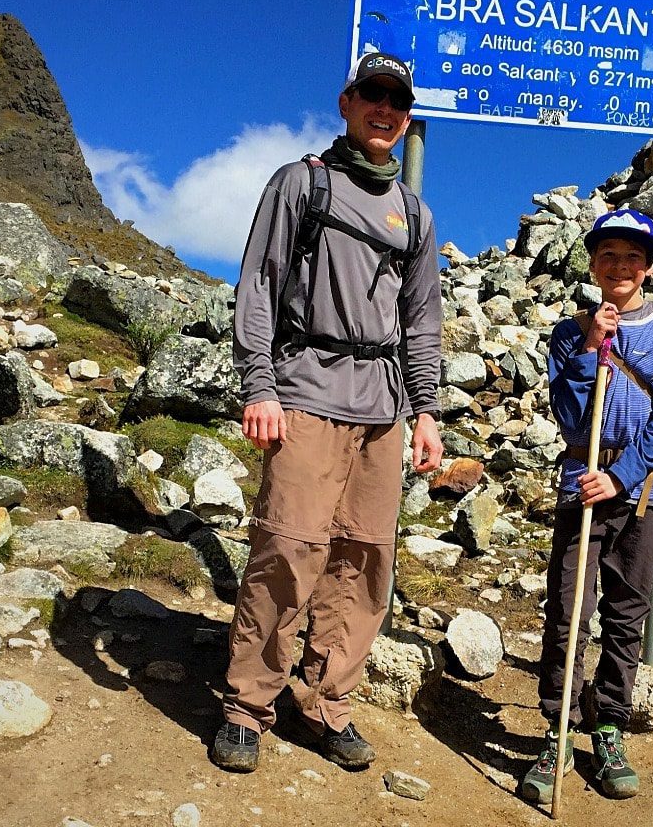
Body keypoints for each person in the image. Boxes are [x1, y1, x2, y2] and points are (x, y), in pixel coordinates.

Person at [211, 52, 444, 774]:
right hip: (305, 389)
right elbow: (260, 283)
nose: (385, 110)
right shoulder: (302, 182)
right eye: (373, 95)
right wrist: (260, 384)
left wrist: (427, 412)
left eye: (397, 102)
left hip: (383, 410)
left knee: (365, 561)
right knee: (288, 547)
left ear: (408, 119)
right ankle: (249, 707)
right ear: (347, 102)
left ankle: (327, 705)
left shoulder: (417, 214)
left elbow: (423, 321)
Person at [521, 208, 653, 804]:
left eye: (632, 257)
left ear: (647, 268)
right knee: (569, 607)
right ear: (593, 265)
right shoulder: (570, 334)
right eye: (608, 256)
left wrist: (621, 476)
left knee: (627, 612)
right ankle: (560, 728)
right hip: (581, 484)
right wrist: (590, 346)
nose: (619, 267)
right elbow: (570, 416)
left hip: (644, 490)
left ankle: (609, 726)